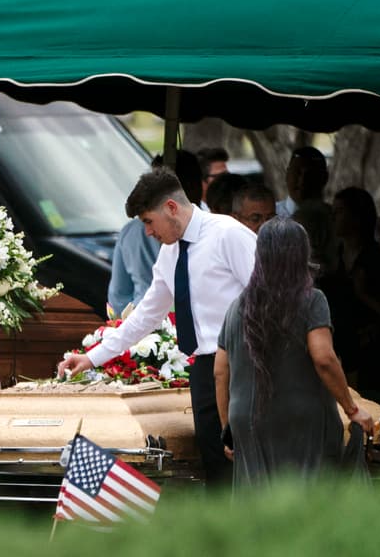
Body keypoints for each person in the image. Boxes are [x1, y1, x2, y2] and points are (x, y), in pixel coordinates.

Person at [59, 169, 256, 488]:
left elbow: (267, 296)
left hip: (246, 362)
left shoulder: (228, 234)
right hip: (205, 370)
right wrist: (92, 357)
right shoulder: (170, 252)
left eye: (149, 221)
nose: (148, 232)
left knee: (252, 462)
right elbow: (146, 315)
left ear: (171, 208)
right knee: (216, 464)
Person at [215, 218, 375, 490]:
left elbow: (220, 371)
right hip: (302, 421)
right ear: (302, 254)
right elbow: (323, 358)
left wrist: (227, 429)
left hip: (247, 420)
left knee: (257, 504)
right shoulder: (311, 300)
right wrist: (353, 409)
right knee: (308, 501)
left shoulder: (237, 306)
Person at [324, 187, 380, 401]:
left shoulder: (376, 259)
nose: (333, 217)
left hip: (373, 354)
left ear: (357, 216)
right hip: (342, 349)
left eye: (339, 211)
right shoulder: (335, 257)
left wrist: (363, 294)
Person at [284, 147, 334, 274]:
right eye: (297, 172)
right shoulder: (266, 216)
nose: (302, 180)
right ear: (287, 174)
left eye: (311, 174)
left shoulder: (336, 219)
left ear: (325, 178)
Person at [107, 216, 159, 316]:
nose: (149, 231)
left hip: (139, 314)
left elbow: (118, 294)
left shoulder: (131, 230)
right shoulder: (180, 228)